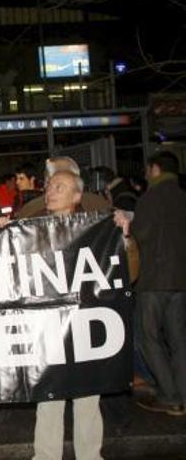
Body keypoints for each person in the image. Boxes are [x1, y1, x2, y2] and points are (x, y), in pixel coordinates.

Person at [0, 170, 103, 460]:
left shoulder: (97, 229)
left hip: (85, 327)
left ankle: (90, 456)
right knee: (49, 397)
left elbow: (126, 268)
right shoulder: (32, 228)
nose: (51, 191)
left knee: (87, 397)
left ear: (77, 196)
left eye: (60, 186)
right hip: (49, 329)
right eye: (49, 186)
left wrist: (125, 237)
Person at [113, 151, 186, 416]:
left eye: (147, 170)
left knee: (149, 338)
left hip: (154, 280)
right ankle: (182, 394)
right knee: (178, 340)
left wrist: (128, 225)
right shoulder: (182, 196)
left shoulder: (150, 198)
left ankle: (169, 395)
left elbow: (140, 233)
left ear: (154, 169)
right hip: (181, 280)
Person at [15, 157, 111, 219]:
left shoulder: (97, 207)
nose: (51, 193)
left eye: (59, 187)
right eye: (49, 187)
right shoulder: (98, 203)